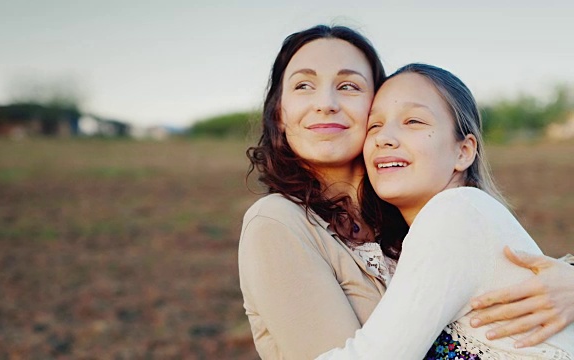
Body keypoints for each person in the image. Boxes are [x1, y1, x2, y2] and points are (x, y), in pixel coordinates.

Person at [238, 24, 574, 359]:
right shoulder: (278, 222)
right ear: (279, 112)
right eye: (303, 85)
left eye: (348, 86)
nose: (326, 103)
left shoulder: (417, 218)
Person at [316, 63, 574, 359]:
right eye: (374, 125)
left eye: (413, 121)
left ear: (463, 151)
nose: (384, 137)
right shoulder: (457, 221)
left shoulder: (456, 213)